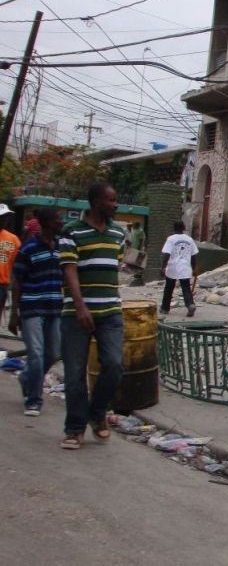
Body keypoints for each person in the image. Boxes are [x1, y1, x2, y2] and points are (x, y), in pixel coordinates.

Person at [58, 183, 126, 450]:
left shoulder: (118, 234)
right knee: (75, 372)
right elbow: (69, 270)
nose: (115, 204)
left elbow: (113, 267)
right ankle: (74, 428)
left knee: (114, 365)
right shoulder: (71, 232)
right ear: (96, 202)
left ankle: (97, 413)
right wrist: (80, 306)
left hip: (110, 312)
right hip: (76, 314)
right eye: (111, 200)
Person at [10, 208, 64, 416]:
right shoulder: (29, 248)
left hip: (54, 308)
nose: (61, 222)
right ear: (47, 222)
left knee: (53, 354)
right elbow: (17, 282)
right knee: (36, 354)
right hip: (31, 307)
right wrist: (14, 313)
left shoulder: (61, 247)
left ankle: (26, 378)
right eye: (58, 218)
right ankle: (33, 400)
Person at [160, 220, 199, 317]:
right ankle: (190, 305)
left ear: (174, 228)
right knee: (186, 288)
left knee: (169, 288)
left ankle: (165, 308)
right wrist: (194, 268)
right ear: (184, 228)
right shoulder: (189, 239)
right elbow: (194, 255)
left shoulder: (171, 239)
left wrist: (163, 267)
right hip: (185, 267)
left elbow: (166, 254)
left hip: (173, 267)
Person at [0, 203, 22, 331]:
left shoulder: (13, 239)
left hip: (2, 285)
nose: (4, 220)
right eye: (2, 217)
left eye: (6, 217)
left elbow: (19, 263)